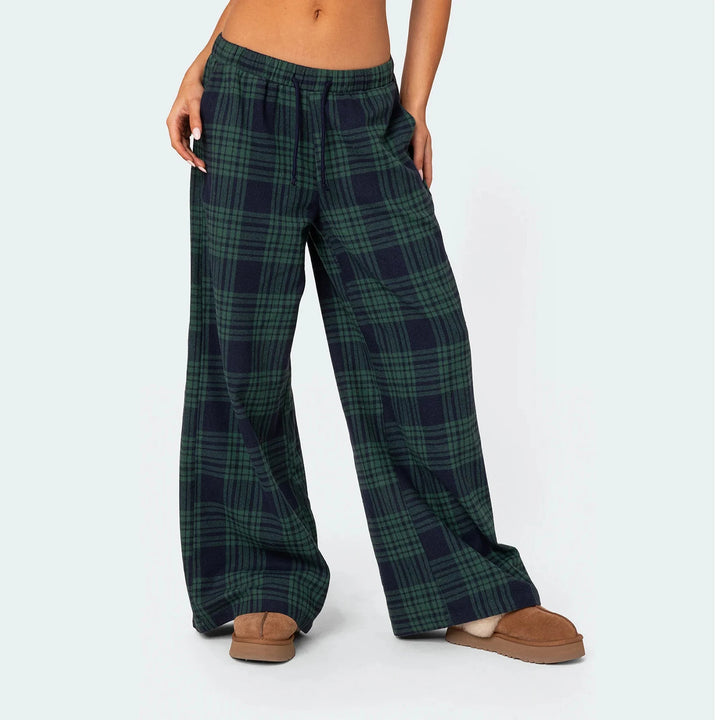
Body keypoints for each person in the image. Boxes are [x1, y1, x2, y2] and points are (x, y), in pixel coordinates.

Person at [166, 0, 585, 665]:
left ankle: (464, 586)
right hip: (246, 92)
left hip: (364, 105)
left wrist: (412, 106)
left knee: (424, 340)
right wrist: (201, 62)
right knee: (241, 345)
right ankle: (259, 577)